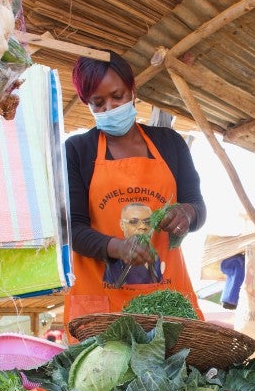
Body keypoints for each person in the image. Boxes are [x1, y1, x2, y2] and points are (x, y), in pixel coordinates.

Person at [64, 52, 205, 321]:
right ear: (88, 105)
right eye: (99, 103)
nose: (110, 108)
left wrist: (187, 214)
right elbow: (73, 230)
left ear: (133, 90)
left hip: (168, 301)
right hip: (102, 305)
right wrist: (118, 247)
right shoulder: (78, 150)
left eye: (118, 96)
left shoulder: (169, 143)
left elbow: (197, 205)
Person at [103, 202, 163, 286]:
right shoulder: (113, 260)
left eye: (148, 222)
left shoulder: (156, 258)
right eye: (134, 222)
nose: (143, 226)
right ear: (122, 225)